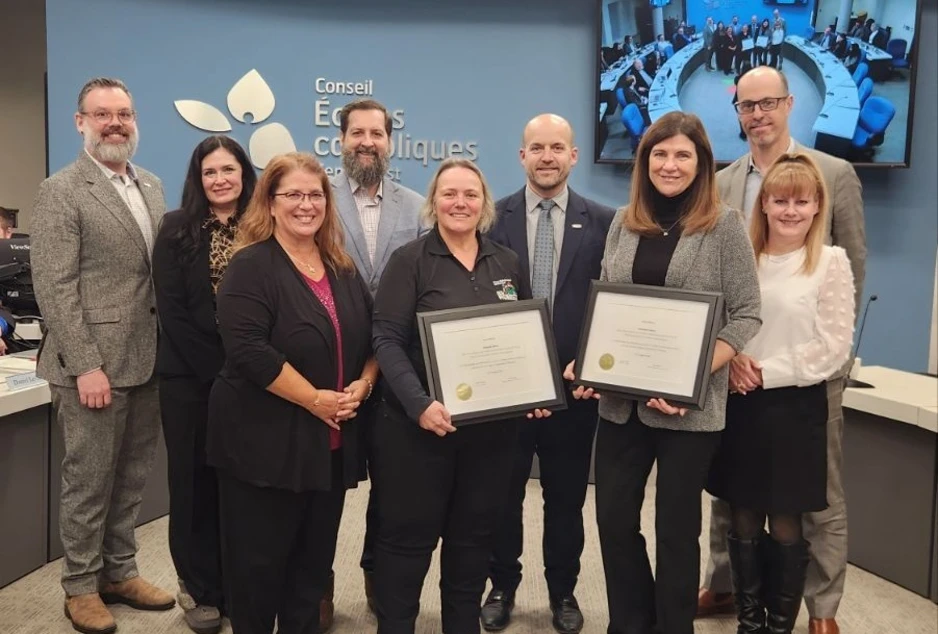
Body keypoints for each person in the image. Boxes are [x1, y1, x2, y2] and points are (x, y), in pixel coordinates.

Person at [564, 111, 762, 634]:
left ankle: (674, 626)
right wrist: (588, 359)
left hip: (688, 411)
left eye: (682, 155)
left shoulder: (724, 227)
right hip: (621, 406)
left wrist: (692, 375)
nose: (669, 165)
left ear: (701, 165)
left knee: (676, 530)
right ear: (644, 160)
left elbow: (746, 314)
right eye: (660, 154)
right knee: (613, 521)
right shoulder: (625, 223)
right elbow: (607, 302)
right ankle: (631, 622)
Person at [699, 66, 866, 634]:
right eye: (747, 105)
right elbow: (718, 285)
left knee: (817, 499)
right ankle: (726, 588)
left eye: (769, 103)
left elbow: (852, 270)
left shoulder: (834, 173)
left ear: (789, 104)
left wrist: (830, 365)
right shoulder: (722, 182)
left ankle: (821, 608)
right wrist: (730, 356)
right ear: (738, 111)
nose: (758, 114)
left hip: (807, 382)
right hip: (736, 376)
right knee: (734, 497)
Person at [370, 158, 551, 634]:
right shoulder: (409, 260)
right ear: (434, 202)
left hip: (489, 439)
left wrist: (533, 387)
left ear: (484, 204)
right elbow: (386, 339)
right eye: (449, 194)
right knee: (407, 545)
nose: (460, 203)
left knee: (472, 543)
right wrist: (419, 404)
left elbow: (524, 336)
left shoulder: (506, 262)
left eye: (470, 194)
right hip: (418, 433)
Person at [207, 151, 378, 634]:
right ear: (271, 202)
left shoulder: (340, 265)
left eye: (315, 194)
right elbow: (248, 351)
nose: (306, 205)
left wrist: (363, 386)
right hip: (263, 447)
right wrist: (315, 399)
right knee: (258, 577)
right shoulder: (251, 266)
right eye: (294, 195)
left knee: (310, 575)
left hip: (326, 449)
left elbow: (374, 336)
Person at [31, 76, 173, 634]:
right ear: (80, 122)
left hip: (148, 358)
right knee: (88, 482)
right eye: (103, 114)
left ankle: (120, 571)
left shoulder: (153, 186)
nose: (115, 123)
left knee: (132, 477)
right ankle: (81, 586)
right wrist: (85, 363)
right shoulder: (61, 190)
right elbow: (55, 285)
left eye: (124, 113)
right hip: (91, 366)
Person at [482, 115, 615, 634]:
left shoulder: (605, 222)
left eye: (557, 147)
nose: (546, 156)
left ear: (573, 155)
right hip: (506, 392)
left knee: (566, 499)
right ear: (521, 156)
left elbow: (612, 304)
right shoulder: (490, 219)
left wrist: (595, 362)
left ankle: (563, 590)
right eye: (535, 147)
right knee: (501, 496)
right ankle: (503, 584)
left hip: (574, 392)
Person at [152, 135, 257, 634]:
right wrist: (220, 372)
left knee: (240, 487)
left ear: (244, 174)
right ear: (198, 178)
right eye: (210, 171)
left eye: (229, 170)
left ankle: (236, 586)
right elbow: (171, 312)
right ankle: (198, 588)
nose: (220, 179)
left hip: (253, 381)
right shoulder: (175, 229)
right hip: (189, 381)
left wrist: (247, 371)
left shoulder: (264, 227)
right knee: (192, 485)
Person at [328, 97, 426, 627]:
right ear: (341, 139)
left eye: (378, 134)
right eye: (357, 132)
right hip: (331, 366)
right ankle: (316, 583)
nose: (368, 141)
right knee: (324, 484)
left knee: (392, 487)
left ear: (391, 142)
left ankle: (377, 576)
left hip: (394, 370)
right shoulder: (316, 198)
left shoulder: (416, 207)